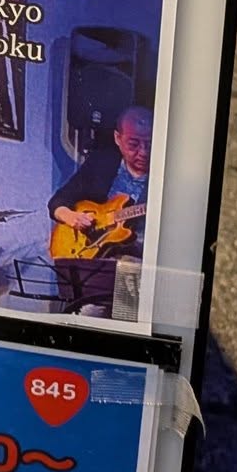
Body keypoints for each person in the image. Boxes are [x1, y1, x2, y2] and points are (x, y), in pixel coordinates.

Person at [49, 105, 153, 318]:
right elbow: (58, 201)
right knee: (86, 315)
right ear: (118, 138)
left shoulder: (165, 177)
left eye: (149, 144)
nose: (143, 152)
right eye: (134, 144)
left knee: (124, 319)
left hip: (136, 267)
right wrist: (71, 217)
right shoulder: (101, 164)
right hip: (94, 261)